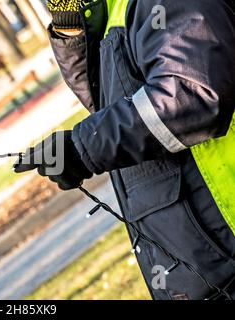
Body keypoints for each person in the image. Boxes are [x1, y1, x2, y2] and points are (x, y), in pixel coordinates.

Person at [14, 0, 235, 300]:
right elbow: (108, 101)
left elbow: (192, 94)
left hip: (225, 244)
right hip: (199, 262)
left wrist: (81, 147)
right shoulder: (117, 9)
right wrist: (69, 28)